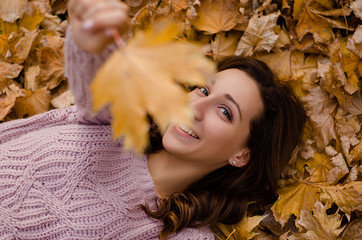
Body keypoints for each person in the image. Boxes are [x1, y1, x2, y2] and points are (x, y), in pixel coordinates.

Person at [0, 0, 306, 239]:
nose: (196, 108)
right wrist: (92, 35)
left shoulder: (181, 234)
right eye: (203, 89)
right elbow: (98, 78)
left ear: (241, 155)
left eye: (225, 112)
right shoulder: (122, 121)